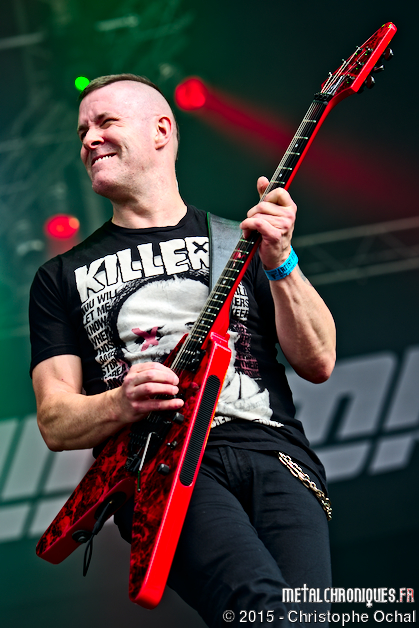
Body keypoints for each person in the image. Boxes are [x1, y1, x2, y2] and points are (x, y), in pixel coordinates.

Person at [29, 74, 336, 627]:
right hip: (162, 469)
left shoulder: (241, 240)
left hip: (277, 455)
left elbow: (318, 361)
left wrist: (282, 261)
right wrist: (121, 401)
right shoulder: (60, 276)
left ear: (161, 130)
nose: (89, 139)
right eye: (83, 132)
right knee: (265, 610)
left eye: (106, 123)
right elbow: (55, 420)